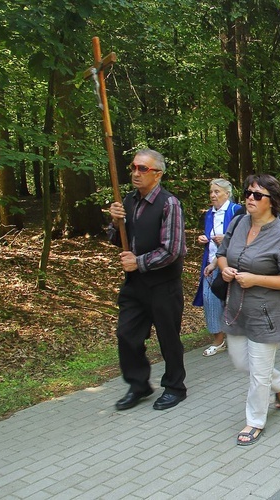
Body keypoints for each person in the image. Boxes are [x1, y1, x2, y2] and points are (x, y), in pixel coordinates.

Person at [214, 174, 280, 446]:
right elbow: (222, 253)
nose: (250, 198)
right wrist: (224, 268)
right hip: (238, 308)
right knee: (242, 362)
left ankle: (254, 421)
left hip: (268, 313)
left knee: (259, 373)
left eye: (257, 195)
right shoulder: (239, 222)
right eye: (248, 193)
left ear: (272, 201)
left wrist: (255, 279)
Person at [108, 149, 187, 411]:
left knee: (168, 337)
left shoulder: (169, 204)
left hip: (163, 285)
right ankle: (139, 385)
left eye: (143, 169)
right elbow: (116, 239)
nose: (136, 173)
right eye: (133, 167)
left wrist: (138, 262)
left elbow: (172, 250)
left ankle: (175, 387)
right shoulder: (129, 201)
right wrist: (114, 221)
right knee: (126, 334)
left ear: (158, 174)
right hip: (135, 285)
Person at [193, 179, 242, 356]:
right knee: (210, 299)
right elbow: (210, 235)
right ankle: (218, 339)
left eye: (217, 192)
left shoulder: (237, 210)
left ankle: (238, 336)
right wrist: (204, 239)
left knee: (234, 300)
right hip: (211, 262)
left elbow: (245, 235)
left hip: (232, 264)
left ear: (227, 194)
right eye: (211, 192)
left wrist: (227, 239)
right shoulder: (209, 214)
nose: (213, 195)